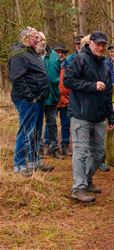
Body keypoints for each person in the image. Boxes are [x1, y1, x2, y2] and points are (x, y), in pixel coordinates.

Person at [64, 31, 114, 203]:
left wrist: (111, 117)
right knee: (81, 151)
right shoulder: (80, 59)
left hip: (99, 116)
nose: (101, 47)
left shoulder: (106, 64)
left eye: (103, 45)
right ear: (90, 43)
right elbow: (68, 81)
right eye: (98, 44)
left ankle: (86, 180)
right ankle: (78, 188)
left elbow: (108, 93)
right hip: (81, 114)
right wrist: (92, 86)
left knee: (99, 152)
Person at [8, 27, 54, 176]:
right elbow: (17, 78)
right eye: (36, 37)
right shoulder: (19, 53)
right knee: (26, 131)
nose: (38, 40)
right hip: (27, 100)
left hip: (38, 99)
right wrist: (30, 97)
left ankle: (35, 162)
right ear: (27, 37)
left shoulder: (31, 52)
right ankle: (19, 165)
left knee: (35, 132)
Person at [35, 32, 64, 160]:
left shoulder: (54, 56)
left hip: (52, 96)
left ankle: (54, 148)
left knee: (52, 123)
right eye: (40, 39)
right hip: (37, 97)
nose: (43, 42)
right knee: (37, 124)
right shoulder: (32, 55)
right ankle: (38, 149)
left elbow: (57, 75)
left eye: (44, 39)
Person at [54, 44, 72, 156]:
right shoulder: (50, 65)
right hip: (53, 100)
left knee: (66, 124)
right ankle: (50, 145)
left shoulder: (69, 66)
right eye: (57, 52)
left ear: (65, 55)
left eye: (62, 52)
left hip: (67, 100)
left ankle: (65, 145)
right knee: (51, 124)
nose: (60, 54)